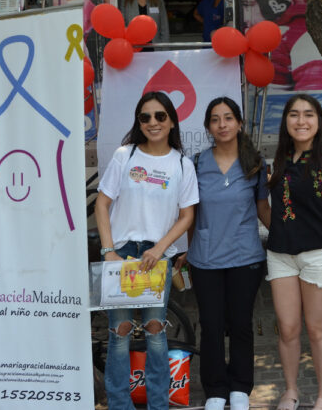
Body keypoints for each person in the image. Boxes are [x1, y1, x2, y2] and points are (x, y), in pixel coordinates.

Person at [95, 91, 198, 410]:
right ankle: (119, 404)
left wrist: (161, 248)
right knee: (120, 333)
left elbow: (187, 216)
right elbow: (102, 203)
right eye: (145, 117)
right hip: (122, 255)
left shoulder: (181, 163)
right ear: (138, 122)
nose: (153, 122)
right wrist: (109, 249)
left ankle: (157, 404)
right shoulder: (125, 156)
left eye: (160, 116)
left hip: (158, 258)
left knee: (155, 334)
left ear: (171, 121)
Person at [177, 97, 271, 410]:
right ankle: (216, 389)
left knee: (241, 323)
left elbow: (262, 210)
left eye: (228, 118)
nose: (222, 125)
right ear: (208, 127)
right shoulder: (195, 163)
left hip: (246, 258)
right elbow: (189, 213)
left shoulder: (255, 164)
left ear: (239, 123)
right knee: (211, 324)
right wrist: (188, 251)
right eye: (215, 119)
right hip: (205, 259)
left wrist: (291, 238)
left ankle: (241, 387)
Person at [266, 94, 322, 410]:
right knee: (288, 328)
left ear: (319, 121)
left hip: (319, 256)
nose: (301, 121)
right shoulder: (282, 158)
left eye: (308, 114)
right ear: (285, 121)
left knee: (317, 330)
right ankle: (290, 391)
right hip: (280, 255)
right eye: (294, 114)